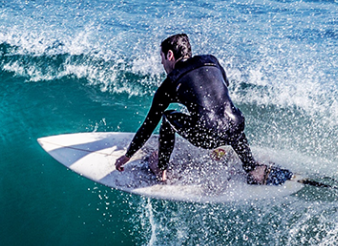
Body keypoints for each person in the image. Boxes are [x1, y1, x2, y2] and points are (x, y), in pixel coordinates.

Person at [114, 34, 268, 184]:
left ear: (170, 55)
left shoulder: (172, 81)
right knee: (226, 114)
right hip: (236, 127)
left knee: (168, 117)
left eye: (162, 58)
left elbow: (149, 124)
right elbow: (222, 85)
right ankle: (252, 167)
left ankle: (161, 169)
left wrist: (128, 155)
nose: (162, 64)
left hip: (207, 135)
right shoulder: (211, 60)